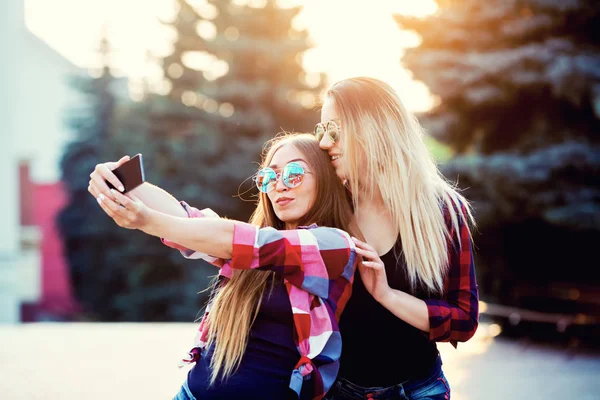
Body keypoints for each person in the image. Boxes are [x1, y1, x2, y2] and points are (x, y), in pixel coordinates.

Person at [87, 133, 366, 400]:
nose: (279, 186)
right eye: (269, 177)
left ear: (324, 180)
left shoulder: (334, 245)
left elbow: (241, 240)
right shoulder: (247, 247)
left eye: (294, 174)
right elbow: (187, 221)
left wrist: (146, 221)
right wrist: (123, 179)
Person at [315, 77, 479, 400]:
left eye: (334, 129)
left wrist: (387, 295)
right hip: (339, 392)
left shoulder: (443, 211)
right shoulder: (326, 209)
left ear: (374, 129)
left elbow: (464, 319)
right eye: (320, 130)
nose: (323, 143)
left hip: (420, 391)